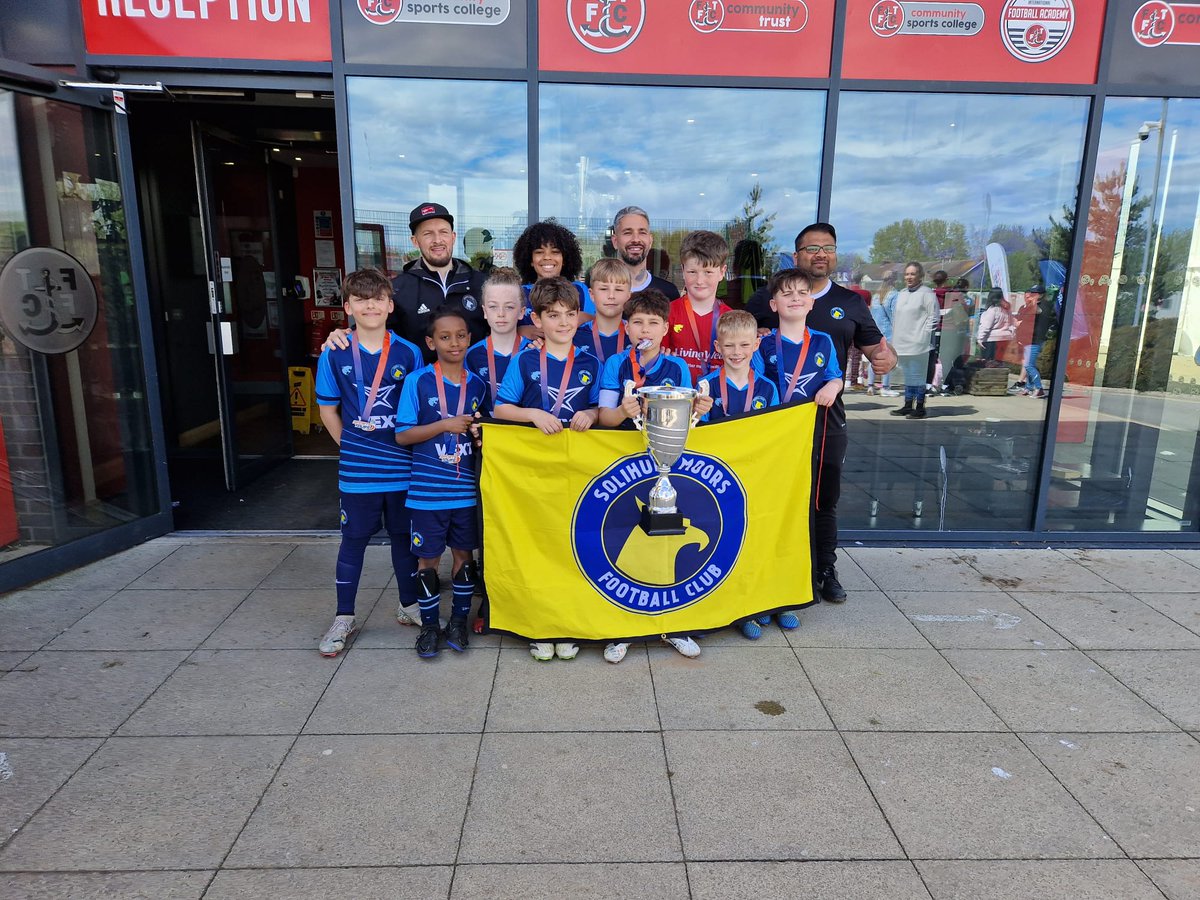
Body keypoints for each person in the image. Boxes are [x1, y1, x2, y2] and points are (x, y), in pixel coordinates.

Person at [745, 224, 896, 604]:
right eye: (811, 248)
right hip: (777, 428)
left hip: (826, 426)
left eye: (827, 248)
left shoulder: (852, 302)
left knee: (822, 501)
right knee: (774, 500)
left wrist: (887, 360)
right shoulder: (767, 297)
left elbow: (878, 350)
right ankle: (769, 575)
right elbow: (743, 343)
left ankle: (823, 570)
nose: (820, 254)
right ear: (797, 255)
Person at [596, 288, 711, 663]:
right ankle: (624, 628)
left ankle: (675, 625)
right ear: (626, 327)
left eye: (653, 322)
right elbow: (604, 417)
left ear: (665, 329)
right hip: (625, 465)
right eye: (638, 322)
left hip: (666, 464)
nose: (645, 328)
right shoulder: (614, 364)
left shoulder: (677, 367)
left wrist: (702, 408)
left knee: (667, 538)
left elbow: (692, 423)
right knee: (627, 538)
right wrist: (624, 411)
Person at [315, 269, 426, 657]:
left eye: (377, 299)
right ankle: (344, 616)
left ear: (390, 305)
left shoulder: (409, 352)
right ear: (348, 307)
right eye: (361, 300)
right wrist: (346, 443)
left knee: (403, 539)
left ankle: (408, 604)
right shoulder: (334, 352)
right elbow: (327, 407)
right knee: (353, 542)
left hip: (401, 465)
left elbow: (418, 405)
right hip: (358, 469)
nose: (370, 305)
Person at [494, 277, 602, 661]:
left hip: (574, 471)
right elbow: (500, 409)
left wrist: (589, 412)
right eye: (553, 315)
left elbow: (600, 410)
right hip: (533, 470)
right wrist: (533, 414)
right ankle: (540, 625)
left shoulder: (591, 361)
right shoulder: (524, 360)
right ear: (537, 319)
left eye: (570, 315)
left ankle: (568, 622)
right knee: (538, 545)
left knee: (571, 545)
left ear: (579, 318)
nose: (562, 322)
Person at [748, 269, 843, 632]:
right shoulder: (764, 344)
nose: (795, 298)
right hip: (774, 442)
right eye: (786, 294)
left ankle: (786, 595)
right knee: (767, 515)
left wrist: (833, 387)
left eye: (802, 292)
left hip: (808, 438)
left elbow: (834, 374)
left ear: (812, 300)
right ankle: (758, 598)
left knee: (797, 516)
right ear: (774, 304)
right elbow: (754, 384)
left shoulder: (822, 341)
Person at [393, 308, 489, 658]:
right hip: (427, 494)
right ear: (431, 342)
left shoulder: (478, 384)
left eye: (461, 335)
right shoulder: (417, 382)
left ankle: (459, 624)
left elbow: (485, 436)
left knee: (464, 558)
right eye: (445, 337)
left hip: (464, 493)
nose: (454, 342)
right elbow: (403, 435)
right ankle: (430, 627)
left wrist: (479, 435)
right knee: (427, 561)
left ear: (469, 338)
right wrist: (444, 424)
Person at [324, 202, 488, 362]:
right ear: (415, 241)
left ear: (453, 237)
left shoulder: (481, 284)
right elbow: (372, 324)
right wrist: (345, 334)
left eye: (443, 232)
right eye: (428, 234)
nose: (437, 240)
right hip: (418, 386)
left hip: (476, 384)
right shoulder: (397, 289)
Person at [666, 230, 733, 381]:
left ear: (722, 272)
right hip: (677, 398)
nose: (699, 280)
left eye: (708, 272)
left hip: (718, 400)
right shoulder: (667, 314)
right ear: (683, 270)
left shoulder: (731, 319)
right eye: (692, 272)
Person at [514, 220, 596, 334]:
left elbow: (599, 324)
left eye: (555, 252)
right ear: (530, 260)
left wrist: (584, 317)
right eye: (539, 252)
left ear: (564, 259)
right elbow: (503, 327)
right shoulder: (518, 294)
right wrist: (521, 331)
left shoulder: (580, 290)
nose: (547, 257)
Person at [465, 267, 528, 414]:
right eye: (493, 307)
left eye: (509, 307)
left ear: (521, 312)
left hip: (526, 435)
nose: (501, 314)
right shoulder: (472, 355)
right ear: (485, 311)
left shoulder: (533, 351)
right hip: (488, 434)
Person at [698, 310, 779, 423]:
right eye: (729, 345)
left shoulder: (768, 388)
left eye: (744, 345)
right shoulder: (705, 385)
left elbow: (773, 429)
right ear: (718, 347)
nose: (737, 352)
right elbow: (699, 430)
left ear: (756, 344)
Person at [887, 262, 939, 420]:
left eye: (913, 274)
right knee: (908, 376)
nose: (909, 277)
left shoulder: (927, 293)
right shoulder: (902, 293)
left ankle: (920, 407)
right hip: (902, 343)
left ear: (920, 276)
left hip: (918, 344)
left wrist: (923, 335)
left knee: (918, 376)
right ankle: (908, 404)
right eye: (907, 274)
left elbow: (934, 317)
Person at [610, 206, 681, 299]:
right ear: (615, 241)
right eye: (628, 232)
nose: (636, 239)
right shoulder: (601, 294)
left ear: (650, 241)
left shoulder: (669, 293)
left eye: (642, 232)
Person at [574, 257, 631, 363]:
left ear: (628, 295)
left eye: (618, 289)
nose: (611, 296)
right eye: (604, 289)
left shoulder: (636, 335)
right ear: (591, 294)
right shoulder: (574, 336)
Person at [1010, 283, 1055, 398]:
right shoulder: (1031, 306)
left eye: (1034, 293)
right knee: (1029, 364)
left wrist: (1032, 304)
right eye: (1031, 293)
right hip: (1029, 339)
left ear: (1040, 295)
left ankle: (1039, 388)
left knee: (1029, 365)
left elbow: (1038, 312)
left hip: (1035, 340)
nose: (1030, 295)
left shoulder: (1043, 306)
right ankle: (1029, 387)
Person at [977, 288, 1016, 362]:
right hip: (1005, 338)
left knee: (988, 363)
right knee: (999, 363)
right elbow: (1011, 324)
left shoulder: (992, 310)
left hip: (992, 340)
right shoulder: (1006, 309)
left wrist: (980, 338)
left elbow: (986, 326)